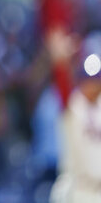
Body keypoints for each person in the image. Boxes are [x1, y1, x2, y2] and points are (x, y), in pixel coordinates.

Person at [47, 28, 101, 203]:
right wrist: (60, 57)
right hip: (77, 189)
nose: (91, 85)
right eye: (88, 80)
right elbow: (61, 77)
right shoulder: (72, 103)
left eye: (96, 80)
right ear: (80, 80)